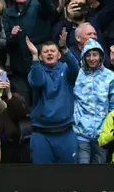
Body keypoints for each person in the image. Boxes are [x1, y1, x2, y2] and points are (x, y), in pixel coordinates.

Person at [26, 30, 80, 164]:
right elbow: (38, 82)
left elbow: (76, 69)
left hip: (65, 133)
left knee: (69, 177)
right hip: (41, 134)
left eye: (53, 51)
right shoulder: (35, 70)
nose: (49, 53)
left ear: (59, 55)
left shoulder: (66, 70)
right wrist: (34, 55)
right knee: (42, 178)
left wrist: (64, 47)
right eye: (45, 51)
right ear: (40, 57)